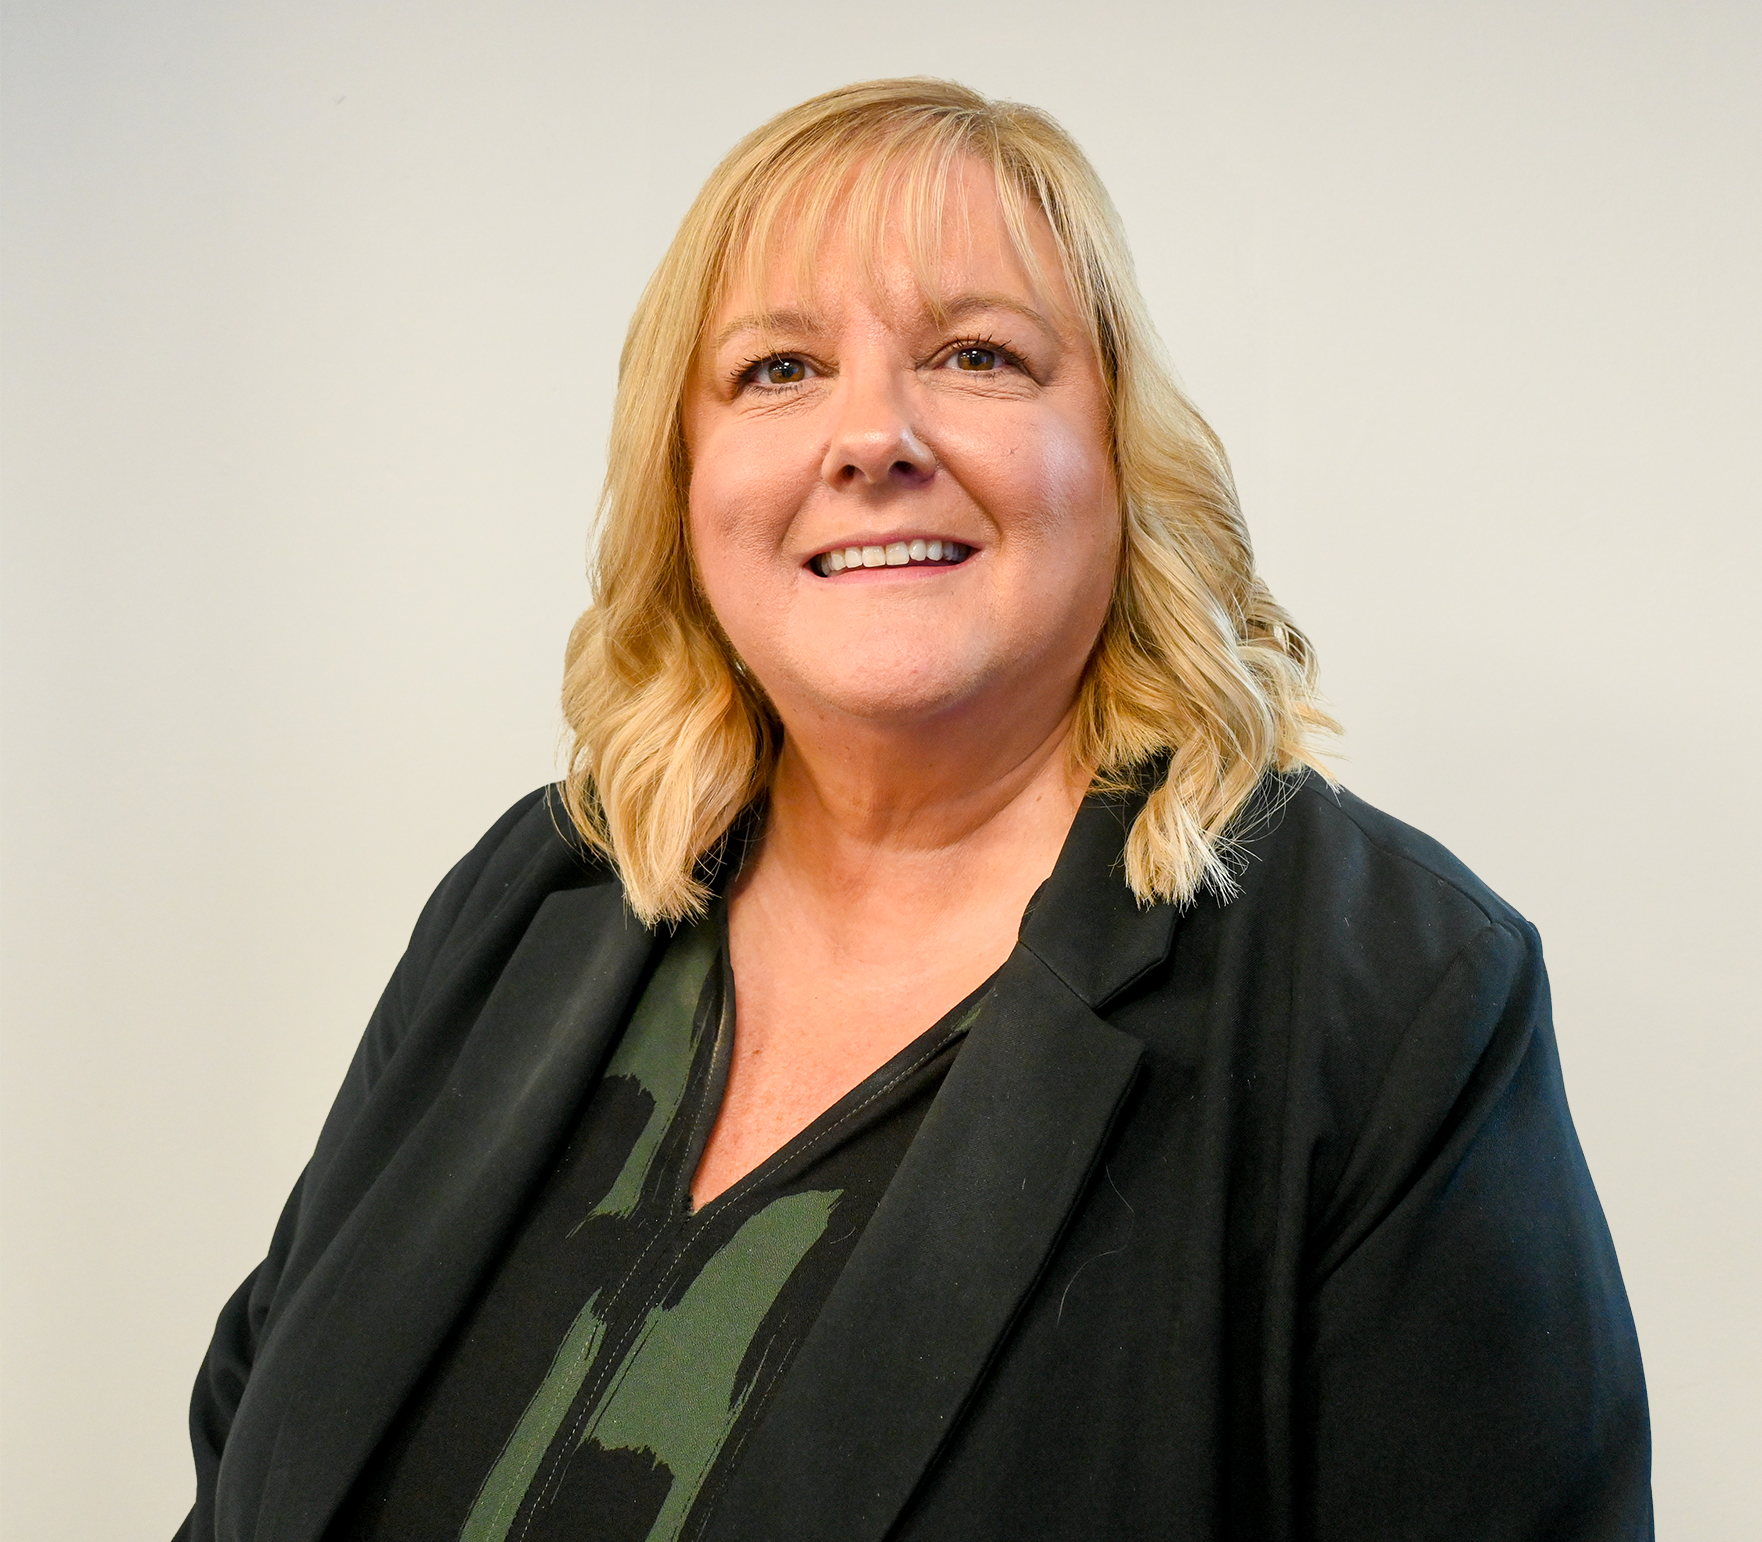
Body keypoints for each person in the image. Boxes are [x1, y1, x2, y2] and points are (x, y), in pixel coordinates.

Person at [177, 78, 1652, 1542]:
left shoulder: (1384, 997)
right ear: (684, 483)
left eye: (976, 355)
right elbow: (248, 1455)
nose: (872, 437)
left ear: (1121, 458)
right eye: (777, 370)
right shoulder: (530, 896)